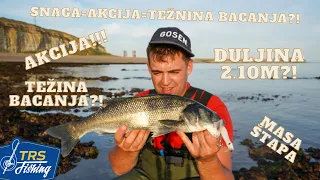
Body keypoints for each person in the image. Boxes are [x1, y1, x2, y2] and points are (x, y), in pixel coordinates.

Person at [108, 27, 234, 180]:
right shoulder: (139, 103)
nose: (165, 82)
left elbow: (227, 176)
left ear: (189, 67)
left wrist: (207, 160)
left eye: (174, 72)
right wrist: (127, 151)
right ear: (148, 68)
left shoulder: (212, 107)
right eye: (157, 73)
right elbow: (118, 169)